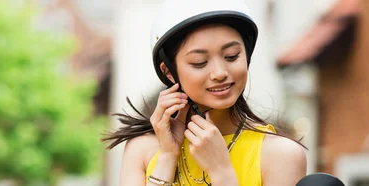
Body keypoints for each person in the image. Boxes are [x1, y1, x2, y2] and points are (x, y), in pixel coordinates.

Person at [102, 0, 307, 185]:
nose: (219, 73)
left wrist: (222, 173)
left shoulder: (281, 155)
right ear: (169, 73)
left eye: (231, 56)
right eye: (200, 63)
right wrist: (167, 158)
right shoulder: (142, 150)